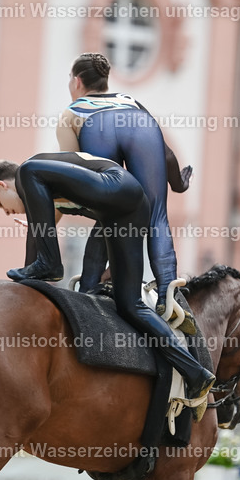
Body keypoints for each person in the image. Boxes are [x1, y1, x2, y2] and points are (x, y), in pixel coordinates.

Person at [0, 152, 215, 402]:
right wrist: (27, 281)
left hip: (119, 188)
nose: (6, 212)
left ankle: (50, 264)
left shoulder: (31, 171)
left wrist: (41, 267)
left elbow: (38, 226)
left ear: (2, 185)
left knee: (29, 170)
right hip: (128, 211)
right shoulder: (46, 189)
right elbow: (36, 240)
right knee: (130, 305)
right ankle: (195, 372)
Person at [56, 53, 191, 315]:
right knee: (156, 215)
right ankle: (167, 292)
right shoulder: (131, 102)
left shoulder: (71, 114)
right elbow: (166, 154)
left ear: (76, 81)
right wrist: (178, 183)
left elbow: (67, 178)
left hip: (95, 126)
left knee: (108, 214)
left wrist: (48, 211)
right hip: (139, 125)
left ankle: (88, 289)